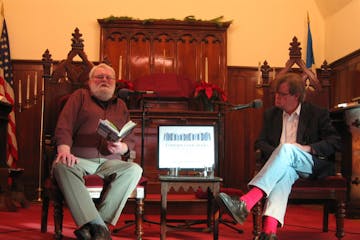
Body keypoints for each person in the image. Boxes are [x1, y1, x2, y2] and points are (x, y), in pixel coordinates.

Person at [217, 73, 341, 240]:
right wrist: (280, 155)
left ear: (296, 96)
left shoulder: (317, 113)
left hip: (309, 163)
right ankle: (269, 233)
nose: (277, 97)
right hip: (286, 167)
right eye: (276, 93)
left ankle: (246, 202)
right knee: (283, 176)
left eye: (282, 94)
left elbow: (334, 142)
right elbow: (259, 143)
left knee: (287, 150)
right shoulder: (272, 115)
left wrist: (306, 148)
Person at [52, 63, 143, 240]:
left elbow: (129, 137)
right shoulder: (79, 97)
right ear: (90, 81)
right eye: (99, 77)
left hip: (111, 161)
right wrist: (64, 149)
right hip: (80, 158)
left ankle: (92, 227)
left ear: (115, 83)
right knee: (61, 165)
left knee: (134, 170)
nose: (104, 80)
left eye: (109, 77)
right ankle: (100, 228)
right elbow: (64, 125)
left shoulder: (121, 105)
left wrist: (123, 147)